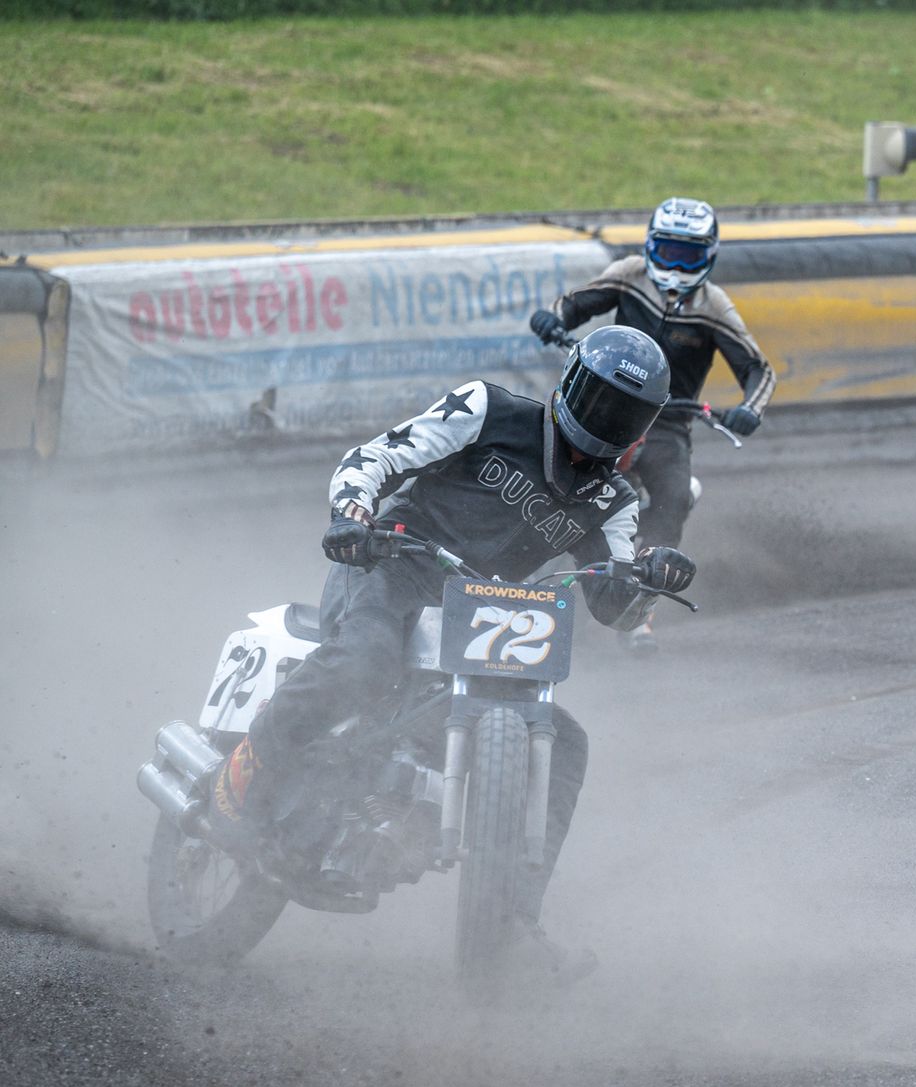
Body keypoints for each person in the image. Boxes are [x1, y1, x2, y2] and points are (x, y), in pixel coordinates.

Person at [207, 326, 695, 938]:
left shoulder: (613, 501)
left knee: (566, 742)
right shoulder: (488, 410)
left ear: (643, 426)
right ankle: (252, 762)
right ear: (570, 380)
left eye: (626, 413)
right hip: (392, 567)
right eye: (600, 399)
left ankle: (515, 918)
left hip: (481, 620)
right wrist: (352, 514)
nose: (608, 419)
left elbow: (611, 603)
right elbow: (377, 456)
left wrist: (648, 579)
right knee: (365, 661)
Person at [530, 198, 774, 544]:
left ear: (709, 256)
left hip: (666, 421)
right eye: (666, 252)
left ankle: (650, 580)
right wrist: (554, 319)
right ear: (649, 246)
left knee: (671, 500)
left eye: (687, 256)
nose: (674, 267)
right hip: (601, 405)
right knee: (541, 455)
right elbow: (574, 304)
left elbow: (757, 369)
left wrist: (750, 409)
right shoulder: (629, 273)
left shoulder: (715, 306)